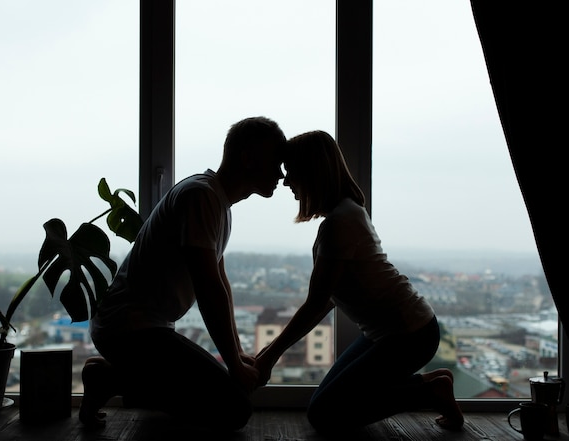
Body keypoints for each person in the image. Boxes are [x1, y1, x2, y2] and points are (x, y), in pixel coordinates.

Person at [80, 116, 286, 433]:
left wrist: (236, 352)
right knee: (234, 410)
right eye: (276, 162)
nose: (280, 174)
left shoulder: (216, 201)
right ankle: (111, 378)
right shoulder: (202, 197)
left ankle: (117, 377)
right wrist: (232, 362)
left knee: (226, 400)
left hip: (142, 329)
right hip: (130, 330)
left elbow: (221, 283)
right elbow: (208, 287)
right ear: (248, 159)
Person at [254, 130, 464, 437]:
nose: (286, 182)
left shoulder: (339, 223)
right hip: (396, 331)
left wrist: (269, 356)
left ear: (313, 173)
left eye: (292, 173)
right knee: (328, 403)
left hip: (410, 335)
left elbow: (316, 303)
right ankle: (430, 384)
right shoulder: (347, 212)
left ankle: (430, 392)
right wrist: (268, 353)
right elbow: (327, 298)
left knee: (324, 413)